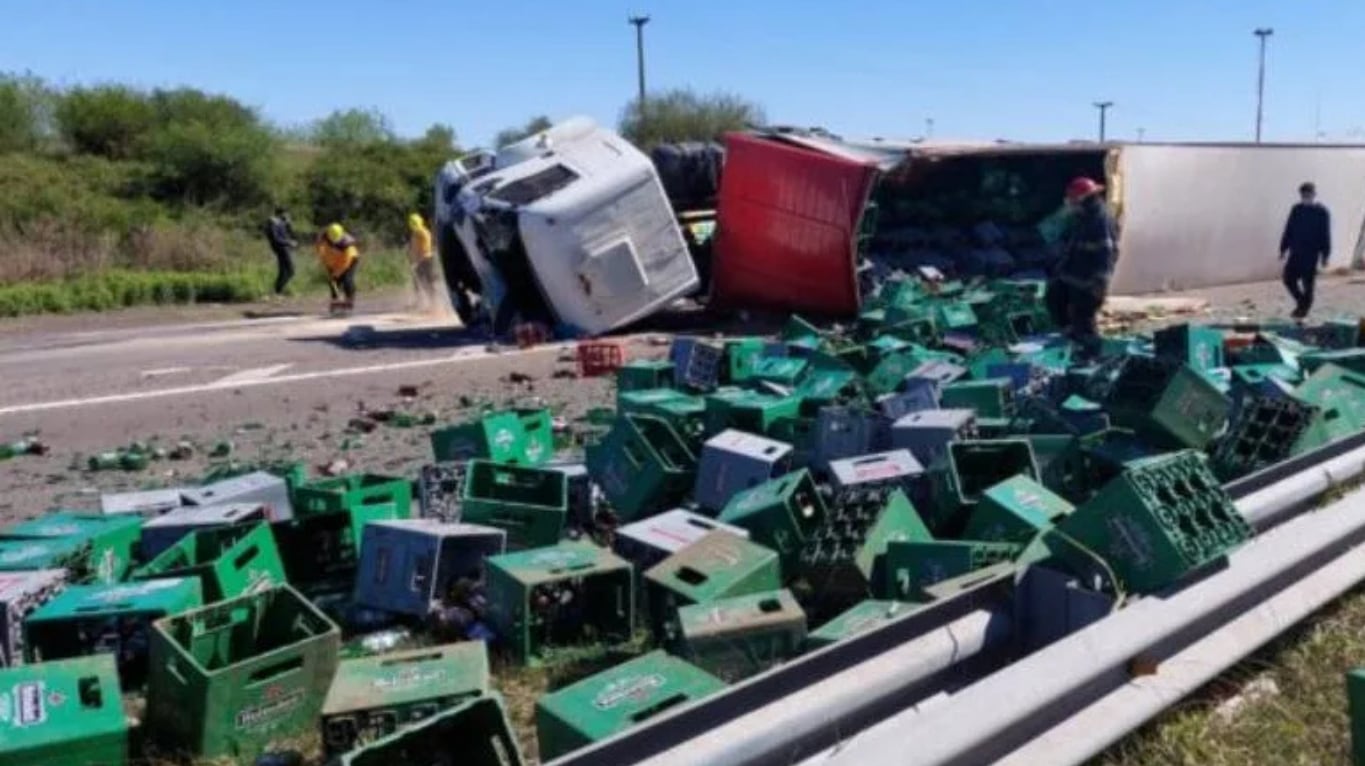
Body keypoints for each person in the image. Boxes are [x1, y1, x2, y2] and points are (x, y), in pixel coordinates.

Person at [1045, 176, 1119, 359]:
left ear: (1082, 200)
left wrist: (1099, 285)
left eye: (1073, 201)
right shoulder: (1085, 218)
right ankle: (1077, 344)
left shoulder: (1099, 220)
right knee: (1055, 298)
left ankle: (1095, 356)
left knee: (1084, 321)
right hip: (1075, 278)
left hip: (1089, 283)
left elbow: (1106, 254)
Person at [1279, 182, 1331, 320]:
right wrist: (1283, 248)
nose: (1306, 197)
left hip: (1311, 254)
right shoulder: (1296, 209)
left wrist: (1325, 255)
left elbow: (1325, 234)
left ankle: (1303, 309)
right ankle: (1302, 303)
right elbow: (1289, 229)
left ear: (1314, 194)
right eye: (1303, 195)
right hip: (1296, 252)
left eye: (1308, 194)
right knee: (1288, 279)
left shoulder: (1321, 212)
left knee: (1308, 284)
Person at [316, 223, 360, 311]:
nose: (333, 242)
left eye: (335, 240)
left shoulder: (348, 245)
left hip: (350, 261)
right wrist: (324, 260)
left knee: (347, 279)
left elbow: (345, 264)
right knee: (333, 282)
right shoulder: (324, 237)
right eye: (331, 239)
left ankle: (349, 300)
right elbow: (319, 248)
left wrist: (336, 273)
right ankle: (335, 300)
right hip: (334, 260)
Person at [407, 212, 438, 310]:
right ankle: (422, 302)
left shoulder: (421, 233)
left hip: (425, 259)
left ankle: (432, 304)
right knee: (420, 282)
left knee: (424, 282)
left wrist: (415, 261)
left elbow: (420, 249)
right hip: (424, 259)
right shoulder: (421, 232)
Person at [264, 207, 298, 296]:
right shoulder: (273, 224)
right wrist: (289, 242)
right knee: (291, 271)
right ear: (281, 214)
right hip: (282, 249)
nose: (287, 216)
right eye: (286, 214)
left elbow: (289, 233)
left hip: (284, 248)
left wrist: (288, 224)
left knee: (283, 271)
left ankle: (277, 291)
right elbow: (276, 239)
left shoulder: (281, 223)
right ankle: (277, 290)